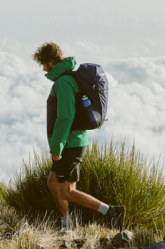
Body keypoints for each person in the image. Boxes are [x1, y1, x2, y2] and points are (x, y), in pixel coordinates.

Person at [33, 42, 125, 230]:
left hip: (71, 144)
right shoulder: (66, 79)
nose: (43, 68)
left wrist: (56, 147)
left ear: (51, 62)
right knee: (53, 183)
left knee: (67, 191)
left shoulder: (63, 82)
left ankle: (112, 212)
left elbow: (65, 117)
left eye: (43, 64)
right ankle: (66, 223)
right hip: (70, 142)